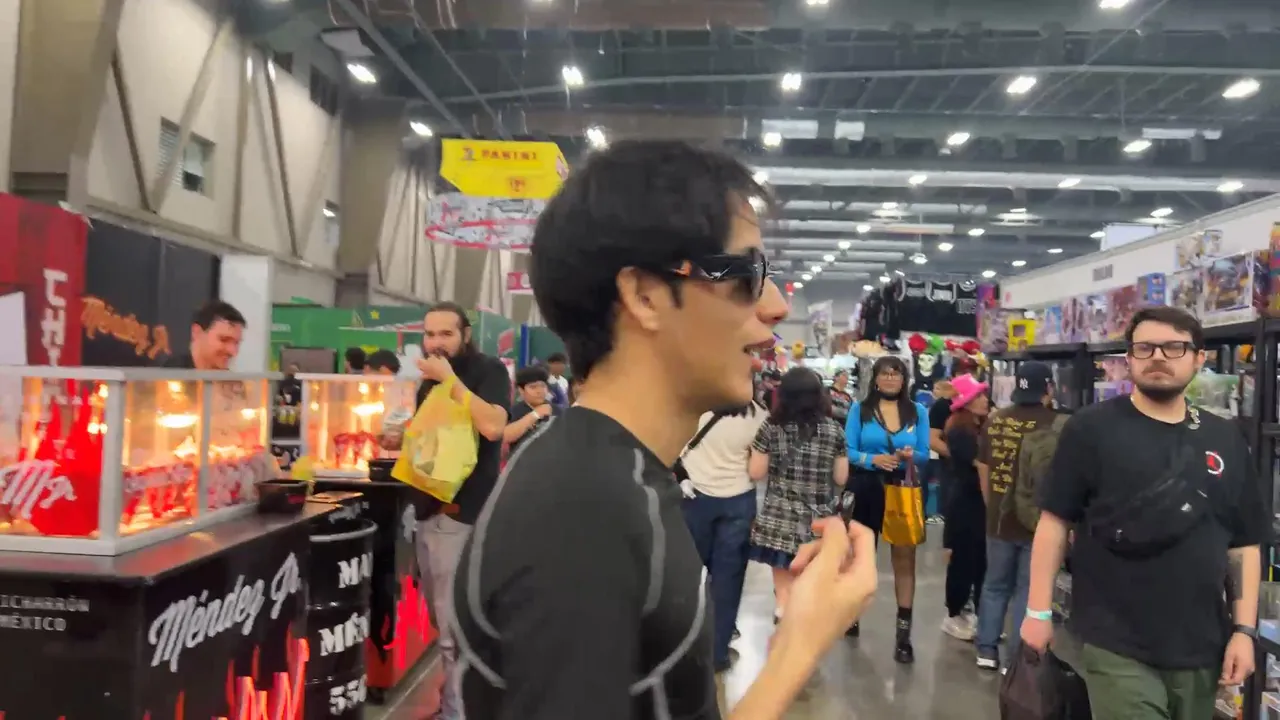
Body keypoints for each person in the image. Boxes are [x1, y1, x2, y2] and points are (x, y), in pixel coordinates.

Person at [448, 140, 879, 719]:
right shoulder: (583, 512)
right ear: (646, 296)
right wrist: (797, 649)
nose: (775, 306)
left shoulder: (615, 478)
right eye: (746, 274)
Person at [1022, 307, 1268, 720]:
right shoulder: (1090, 429)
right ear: (1129, 358)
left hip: (1201, 644)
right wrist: (1037, 611)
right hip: (1116, 641)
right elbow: (1054, 523)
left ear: (1199, 359)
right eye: (1145, 347)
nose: (1158, 357)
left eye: (1174, 347)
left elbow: (1243, 544)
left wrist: (1244, 630)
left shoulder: (1225, 437)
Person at [409, 301, 511, 720]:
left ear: (465, 334)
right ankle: (455, 704)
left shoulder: (487, 371)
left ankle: (457, 713)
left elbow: (493, 426)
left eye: (446, 334)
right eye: (430, 334)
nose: (436, 343)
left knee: (457, 632)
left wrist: (450, 381)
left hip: (461, 516)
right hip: (427, 513)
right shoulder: (427, 383)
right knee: (443, 626)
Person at [845, 355, 931, 662]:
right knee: (861, 555)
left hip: (902, 489)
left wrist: (910, 456)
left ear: (904, 379)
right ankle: (852, 615)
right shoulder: (860, 409)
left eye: (896, 373)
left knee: (905, 559)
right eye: (885, 373)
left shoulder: (918, 411)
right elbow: (848, 449)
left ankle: (903, 636)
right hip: (866, 487)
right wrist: (872, 460)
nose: (890, 378)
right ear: (876, 379)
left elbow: (924, 453)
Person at [973, 361, 1058, 670]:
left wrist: (992, 505)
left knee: (994, 585)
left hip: (998, 519)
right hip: (1041, 522)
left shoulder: (995, 421)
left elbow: (983, 468)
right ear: (1048, 388)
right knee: (1028, 589)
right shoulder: (1058, 425)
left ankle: (986, 650)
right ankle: (1016, 660)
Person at [749, 368, 849, 623]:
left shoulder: (771, 427)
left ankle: (783, 614)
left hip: (779, 517)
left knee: (784, 590)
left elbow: (756, 472)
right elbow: (841, 478)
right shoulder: (834, 430)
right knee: (811, 584)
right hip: (818, 521)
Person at [679, 397, 769, 672]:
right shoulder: (759, 415)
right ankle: (717, 654)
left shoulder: (694, 406)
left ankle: (684, 652)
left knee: (690, 578)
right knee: (728, 580)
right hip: (738, 501)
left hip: (694, 497)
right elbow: (757, 470)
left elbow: (673, 447)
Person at [940, 374, 990, 642]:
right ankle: (954, 613)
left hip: (978, 503)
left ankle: (982, 616)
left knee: (982, 561)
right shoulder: (960, 431)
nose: (985, 400)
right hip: (966, 504)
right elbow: (979, 465)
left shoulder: (979, 427)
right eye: (978, 396)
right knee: (963, 561)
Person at [163, 300, 245, 370]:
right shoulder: (168, 377)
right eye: (224, 339)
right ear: (197, 332)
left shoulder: (231, 381)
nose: (232, 351)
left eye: (236, 343)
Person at [504, 365, 559, 454]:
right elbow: (506, 436)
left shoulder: (558, 411)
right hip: (521, 460)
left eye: (543, 386)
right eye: (533, 387)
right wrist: (535, 414)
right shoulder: (513, 411)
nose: (539, 391)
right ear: (521, 390)